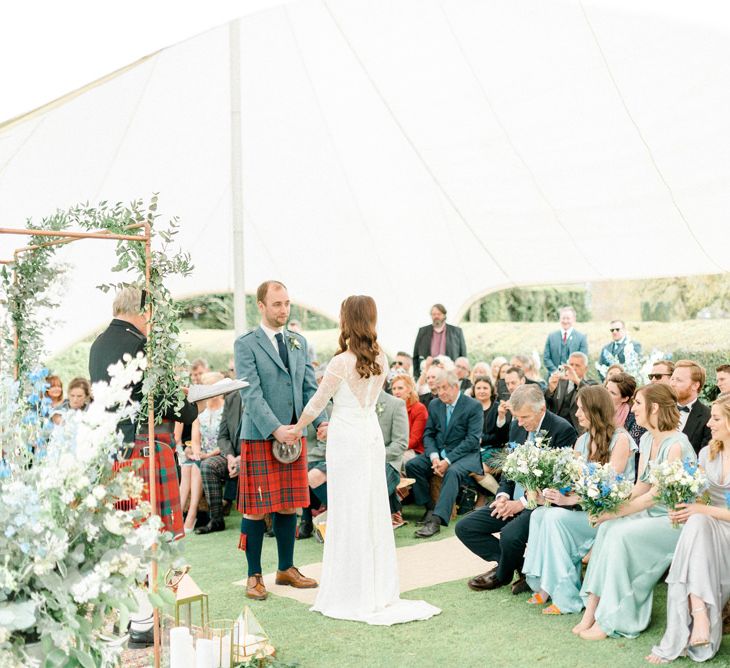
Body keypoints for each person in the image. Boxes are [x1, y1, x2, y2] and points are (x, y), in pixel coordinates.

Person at [289, 295, 441, 625]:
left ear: (348, 320)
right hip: (368, 433)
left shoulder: (341, 361)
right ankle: (376, 590)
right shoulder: (381, 359)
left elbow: (317, 404)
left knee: (347, 509)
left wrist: (295, 429)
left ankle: (349, 592)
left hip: (346, 437)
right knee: (370, 509)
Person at [88, 285, 200, 648]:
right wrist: (189, 405)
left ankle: (136, 615)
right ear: (143, 312)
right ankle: (144, 619)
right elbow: (175, 406)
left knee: (127, 536)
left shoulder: (98, 344)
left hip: (115, 452)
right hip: (144, 448)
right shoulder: (143, 347)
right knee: (147, 539)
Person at [575, 384, 697, 641]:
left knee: (620, 535)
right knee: (608, 529)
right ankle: (592, 610)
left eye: (639, 404)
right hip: (651, 513)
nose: (634, 409)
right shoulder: (647, 437)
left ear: (654, 407)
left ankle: (615, 619)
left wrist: (614, 513)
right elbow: (641, 485)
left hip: (674, 519)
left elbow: (654, 497)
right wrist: (610, 507)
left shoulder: (677, 444)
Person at [234, 280, 324, 601]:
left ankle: (286, 568)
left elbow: (310, 388)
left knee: (289, 503)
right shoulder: (246, 344)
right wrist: (276, 429)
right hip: (261, 435)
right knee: (256, 509)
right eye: (276, 304)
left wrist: (319, 422)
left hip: (295, 435)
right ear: (261, 306)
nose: (283, 310)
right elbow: (250, 393)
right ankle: (253, 575)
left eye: (286, 303)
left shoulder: (299, 341)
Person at [523, 385, 636, 615]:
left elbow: (608, 487)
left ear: (596, 410)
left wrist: (568, 501)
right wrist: (554, 493)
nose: (577, 414)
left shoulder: (620, 439)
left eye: (582, 409)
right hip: (583, 508)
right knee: (539, 514)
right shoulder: (582, 441)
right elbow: (571, 479)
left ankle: (567, 598)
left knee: (554, 519)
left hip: (608, 513)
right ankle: (546, 584)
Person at [456, 384, 577, 594]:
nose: (519, 423)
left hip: (543, 505)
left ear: (541, 409)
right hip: (514, 500)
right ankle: (521, 568)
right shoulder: (517, 425)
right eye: (517, 417)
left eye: (524, 417)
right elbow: (510, 469)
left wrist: (520, 504)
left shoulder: (563, 430)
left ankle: (501, 575)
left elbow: (558, 482)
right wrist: (502, 496)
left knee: (509, 535)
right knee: (465, 527)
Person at [647, 394, 730, 664]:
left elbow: (705, 509)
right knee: (694, 522)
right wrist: (684, 507)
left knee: (698, 522)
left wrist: (700, 511)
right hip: (707, 526)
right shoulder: (707, 453)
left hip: (724, 529)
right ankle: (701, 614)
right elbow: (702, 500)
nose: (709, 425)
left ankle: (698, 618)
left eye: (716, 419)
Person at [405, 368, 483, 539]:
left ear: (455, 387)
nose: (440, 392)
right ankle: (430, 507)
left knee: (453, 471)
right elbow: (429, 434)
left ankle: (436, 521)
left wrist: (447, 460)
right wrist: (433, 456)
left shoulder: (473, 406)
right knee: (412, 465)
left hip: (466, 455)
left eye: (444, 388)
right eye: (438, 388)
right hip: (438, 453)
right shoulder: (434, 405)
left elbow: (472, 440)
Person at [180, 372, 225, 533]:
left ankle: (191, 516)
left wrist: (208, 455)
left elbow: (226, 439)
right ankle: (178, 515)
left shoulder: (226, 409)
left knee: (198, 467)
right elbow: (196, 439)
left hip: (220, 453)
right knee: (187, 466)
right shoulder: (200, 412)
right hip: (203, 453)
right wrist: (197, 453)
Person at [196, 388, 244, 534]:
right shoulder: (232, 398)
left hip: (257, 455)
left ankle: (267, 521)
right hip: (232, 456)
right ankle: (216, 519)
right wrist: (230, 456)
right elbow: (222, 436)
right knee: (208, 466)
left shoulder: (264, 391)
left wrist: (243, 458)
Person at [545, 351, 597, 433]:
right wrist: (550, 389)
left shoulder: (591, 384)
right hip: (557, 427)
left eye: (577, 365)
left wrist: (576, 380)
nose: (573, 368)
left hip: (578, 429)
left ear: (586, 369)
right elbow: (547, 405)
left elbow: (593, 397)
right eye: (571, 365)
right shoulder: (559, 382)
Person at [412, 303, 467, 377]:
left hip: (449, 373)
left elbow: (463, 356)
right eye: (434, 314)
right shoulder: (422, 331)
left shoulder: (456, 332)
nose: (436, 316)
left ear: (444, 315)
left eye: (439, 314)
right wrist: (416, 375)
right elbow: (415, 356)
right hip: (428, 373)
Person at [670, 360, 712, 454]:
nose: (672, 384)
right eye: (672, 379)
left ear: (695, 385)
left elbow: (705, 457)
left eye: (679, 380)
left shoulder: (708, 416)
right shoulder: (660, 411)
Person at [470, 376, 502, 495]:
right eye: (478, 388)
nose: (482, 391)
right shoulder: (470, 408)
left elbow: (500, 436)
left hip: (495, 449)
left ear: (491, 390)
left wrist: (481, 439)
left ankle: (500, 496)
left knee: (477, 469)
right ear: (474, 390)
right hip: (474, 449)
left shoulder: (497, 408)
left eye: (485, 388)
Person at [390, 374, 427, 465]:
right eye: (394, 389)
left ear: (409, 389)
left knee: (394, 462)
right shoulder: (392, 408)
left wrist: (395, 448)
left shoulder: (419, 408)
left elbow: (415, 440)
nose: (396, 392)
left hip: (413, 450)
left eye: (400, 388)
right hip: (394, 448)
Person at [543, 306, 588, 376]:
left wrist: (571, 372)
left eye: (568, 318)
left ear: (574, 319)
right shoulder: (551, 336)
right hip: (554, 377)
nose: (565, 321)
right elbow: (546, 358)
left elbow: (583, 359)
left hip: (573, 377)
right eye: (563, 318)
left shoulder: (581, 338)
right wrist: (555, 372)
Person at [605, 371, 645, 447]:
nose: (606, 394)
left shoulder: (635, 419)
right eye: (606, 389)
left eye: (612, 393)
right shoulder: (598, 412)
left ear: (625, 398)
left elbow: (633, 450)